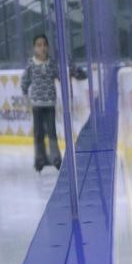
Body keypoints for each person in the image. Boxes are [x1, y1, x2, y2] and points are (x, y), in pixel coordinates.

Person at [20, 34, 86, 172]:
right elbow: (25, 81)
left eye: (44, 44)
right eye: (39, 45)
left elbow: (60, 77)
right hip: (37, 104)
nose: (42, 48)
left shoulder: (51, 63)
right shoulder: (31, 65)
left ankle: (55, 158)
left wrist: (70, 77)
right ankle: (40, 159)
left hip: (50, 103)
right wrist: (26, 96)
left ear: (48, 47)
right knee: (38, 133)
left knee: (51, 132)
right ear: (34, 48)